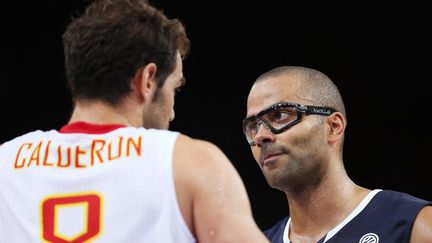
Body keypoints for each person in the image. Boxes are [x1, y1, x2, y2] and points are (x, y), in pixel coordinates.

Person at [0, 0, 270, 242]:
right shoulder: (188, 163)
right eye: (174, 89)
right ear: (147, 80)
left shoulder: (6, 164)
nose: (172, 112)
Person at [242, 66, 432, 243]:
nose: (260, 136)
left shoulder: (416, 224)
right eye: (252, 126)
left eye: (280, 115)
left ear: (333, 127)